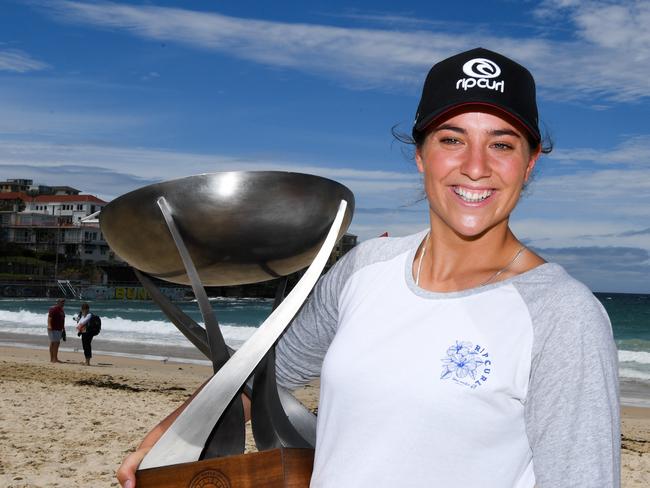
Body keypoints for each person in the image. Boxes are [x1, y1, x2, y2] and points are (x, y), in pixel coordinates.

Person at [117, 48, 620, 487]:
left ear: (530, 164)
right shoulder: (365, 268)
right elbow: (258, 380)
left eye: (502, 144)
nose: (475, 165)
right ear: (420, 155)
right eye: (451, 139)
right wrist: (166, 439)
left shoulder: (563, 315)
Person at [47, 298, 66, 363]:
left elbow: (62, 320)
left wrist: (63, 329)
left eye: (63, 302)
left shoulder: (61, 310)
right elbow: (49, 318)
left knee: (56, 343)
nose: (63, 303)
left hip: (59, 329)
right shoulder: (53, 309)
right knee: (54, 343)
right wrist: (49, 325)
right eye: (61, 302)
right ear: (57, 302)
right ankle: (53, 359)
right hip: (53, 328)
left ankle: (54, 358)